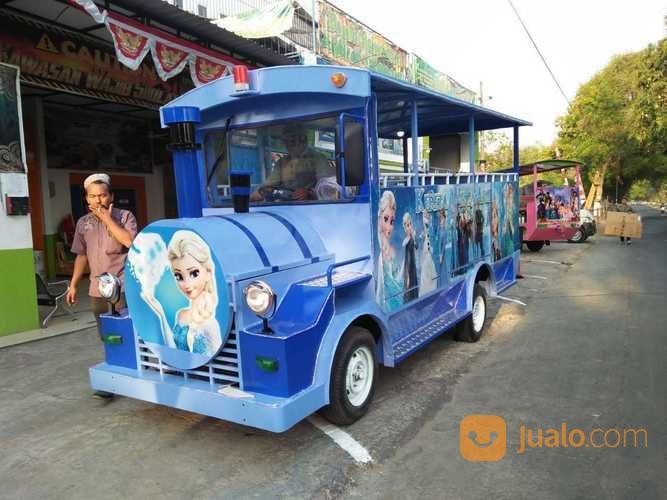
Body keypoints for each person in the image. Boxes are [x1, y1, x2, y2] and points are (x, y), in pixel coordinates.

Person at [66, 173, 137, 398]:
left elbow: (129, 241)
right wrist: (73, 284)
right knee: (107, 335)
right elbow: (81, 256)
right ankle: (114, 376)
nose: (98, 200)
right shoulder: (83, 223)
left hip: (122, 287)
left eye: (103, 195)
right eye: (93, 196)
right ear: (87, 199)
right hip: (98, 289)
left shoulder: (125, 216)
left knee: (126, 331)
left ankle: (130, 375)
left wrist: (107, 219)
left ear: (111, 196)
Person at [250, 122, 335, 202]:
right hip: (285, 204)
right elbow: (270, 183)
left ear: (303, 139)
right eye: (286, 141)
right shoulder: (281, 162)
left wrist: (309, 192)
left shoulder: (318, 159)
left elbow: (326, 186)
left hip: (311, 206)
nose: (287, 145)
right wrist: (256, 195)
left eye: (292, 140)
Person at [376, 190, 402, 311]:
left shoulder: (391, 251)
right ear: (379, 219)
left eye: (392, 221)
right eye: (385, 219)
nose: (389, 227)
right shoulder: (383, 254)